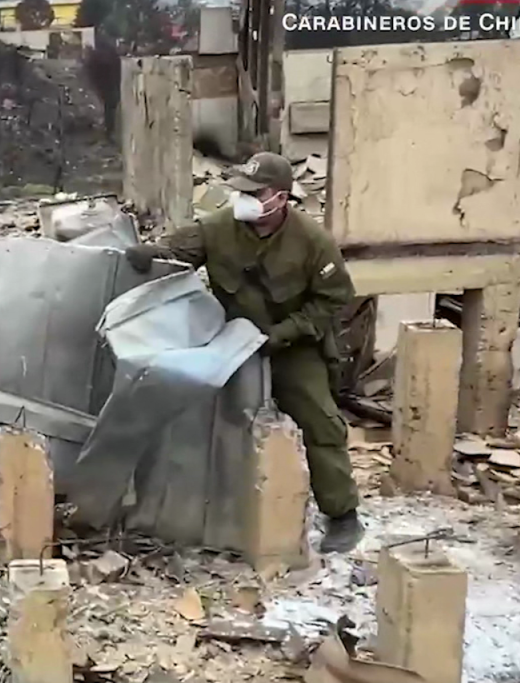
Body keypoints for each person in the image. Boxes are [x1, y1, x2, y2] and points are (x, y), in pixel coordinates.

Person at [124, 152, 364, 554]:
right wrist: (151, 253)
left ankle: (342, 517)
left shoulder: (312, 242)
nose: (244, 199)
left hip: (291, 343)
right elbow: (180, 250)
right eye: (242, 191)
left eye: (257, 193)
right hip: (232, 342)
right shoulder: (220, 227)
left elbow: (335, 300)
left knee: (320, 422)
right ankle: (202, 514)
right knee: (202, 419)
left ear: (282, 199)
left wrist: (284, 334)